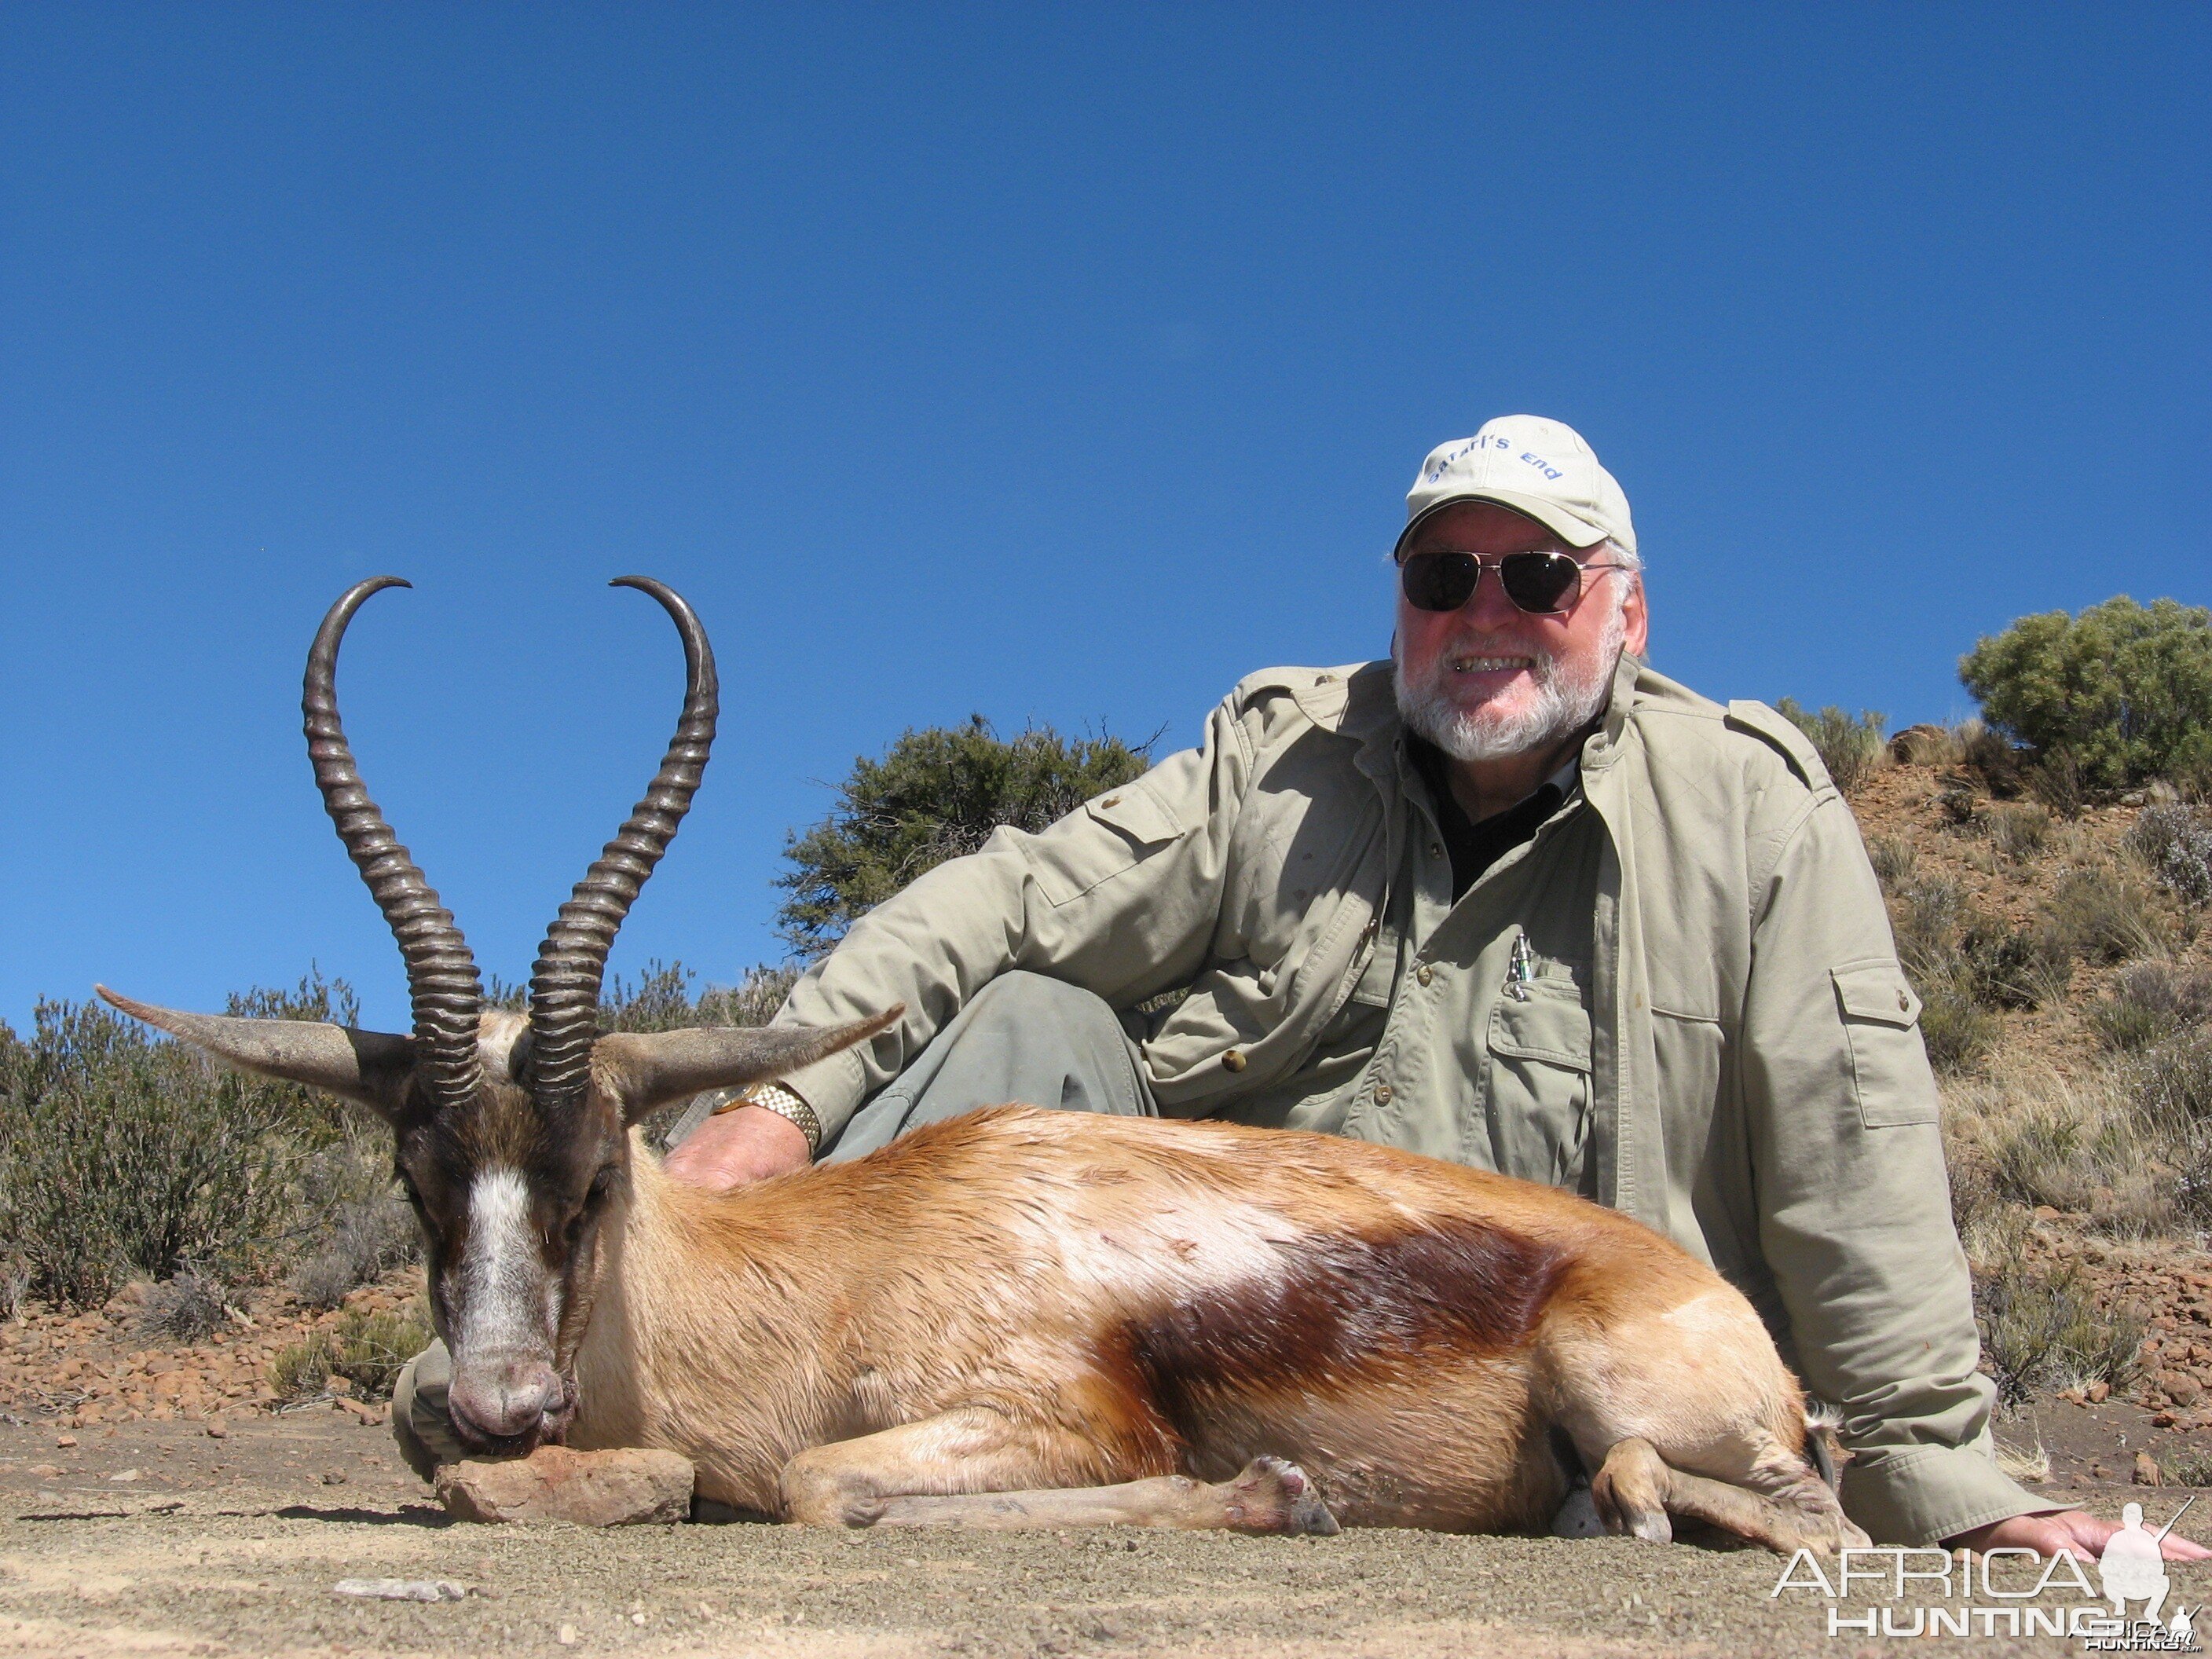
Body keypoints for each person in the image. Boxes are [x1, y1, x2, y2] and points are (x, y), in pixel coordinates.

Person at [406, 414, 2202, 1563]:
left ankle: (942, 1463)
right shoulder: (1282, 754)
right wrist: (778, 1105)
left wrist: (1955, 1490)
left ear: (1625, 614)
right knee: (1026, 1020)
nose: (1484, 611)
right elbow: (1018, 894)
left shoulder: (1753, 806)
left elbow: (1852, 1151)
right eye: (1443, 575)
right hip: (1217, 1286)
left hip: (1522, 1318)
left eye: (1536, 577)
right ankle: (668, 1386)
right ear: (1400, 602)